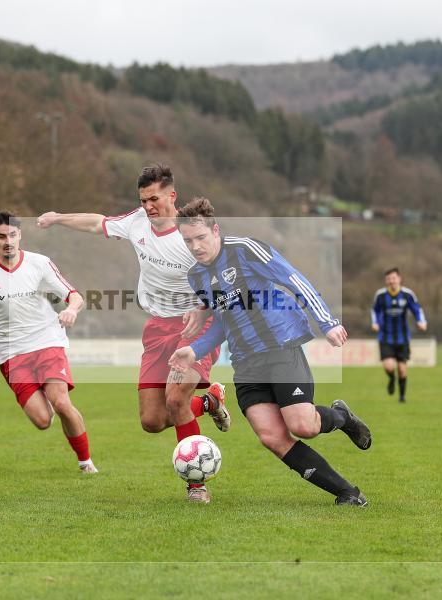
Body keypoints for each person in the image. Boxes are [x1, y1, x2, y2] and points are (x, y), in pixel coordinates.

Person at [36, 164, 229, 504]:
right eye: (143, 200)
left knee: (175, 399)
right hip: (157, 328)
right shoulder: (137, 222)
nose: (148, 206)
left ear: (172, 196)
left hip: (196, 326)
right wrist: (58, 217)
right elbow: (98, 222)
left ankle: (196, 484)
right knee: (152, 421)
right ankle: (210, 401)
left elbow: (225, 282)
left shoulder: (193, 237)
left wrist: (203, 308)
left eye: (154, 199)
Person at [169, 197, 371, 507]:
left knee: (303, 425)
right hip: (246, 364)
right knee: (272, 437)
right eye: (188, 241)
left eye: (200, 238)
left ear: (215, 231)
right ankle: (347, 493)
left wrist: (326, 322)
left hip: (278, 349)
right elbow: (224, 321)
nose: (195, 246)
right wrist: (194, 351)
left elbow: (294, 280)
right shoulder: (197, 277)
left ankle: (341, 417)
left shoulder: (245, 249)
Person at [0, 211, 98, 474]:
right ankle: (43, 396)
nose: (8, 242)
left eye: (12, 235)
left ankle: (86, 462)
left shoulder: (40, 263)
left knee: (61, 402)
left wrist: (71, 309)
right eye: (1, 237)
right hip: (11, 354)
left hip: (47, 342)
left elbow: (74, 295)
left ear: (20, 235)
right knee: (43, 420)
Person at [371, 267, 427, 403]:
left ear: (399, 279)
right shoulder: (380, 295)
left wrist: (421, 321)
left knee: (402, 369)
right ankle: (391, 378)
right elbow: (375, 311)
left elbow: (417, 309)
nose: (391, 281)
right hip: (385, 337)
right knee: (389, 367)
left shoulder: (407, 294)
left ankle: (402, 396)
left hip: (402, 338)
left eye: (394, 278)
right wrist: (375, 323)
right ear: (386, 281)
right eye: (388, 279)